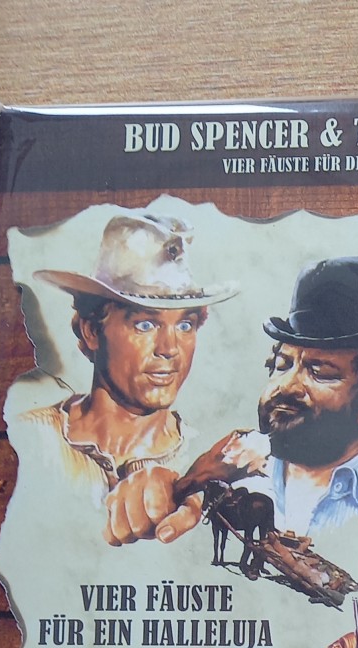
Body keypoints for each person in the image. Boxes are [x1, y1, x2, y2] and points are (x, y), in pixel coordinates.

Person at [17, 211, 235, 545]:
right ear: (92, 331)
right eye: (145, 324)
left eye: (185, 325)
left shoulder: (204, 460)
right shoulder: (30, 438)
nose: (169, 349)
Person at [179, 256, 358, 535]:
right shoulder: (234, 466)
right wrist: (185, 486)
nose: (287, 386)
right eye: (282, 365)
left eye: (320, 372)